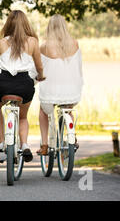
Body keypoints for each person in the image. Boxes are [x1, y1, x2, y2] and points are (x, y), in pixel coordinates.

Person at [0, 10, 45, 162]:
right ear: (26, 24)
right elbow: (39, 67)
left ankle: (1, 141)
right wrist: (40, 76)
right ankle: (24, 145)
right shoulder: (32, 42)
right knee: (23, 117)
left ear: (8, 24)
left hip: (3, 83)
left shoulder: (0, 43)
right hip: (24, 84)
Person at [37, 14, 83, 155]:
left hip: (51, 92)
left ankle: (44, 145)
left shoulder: (44, 46)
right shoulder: (75, 44)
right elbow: (78, 67)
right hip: (71, 91)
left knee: (43, 112)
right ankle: (72, 136)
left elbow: (39, 68)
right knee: (68, 110)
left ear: (50, 28)